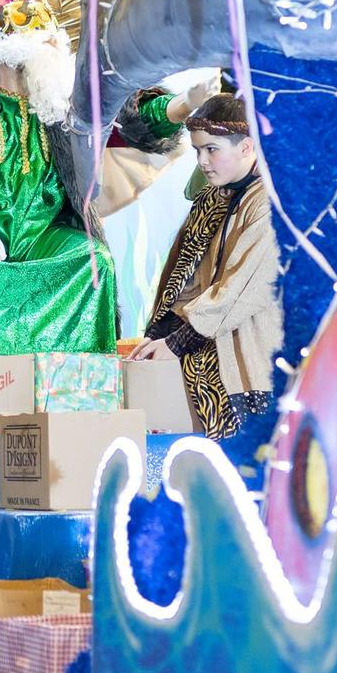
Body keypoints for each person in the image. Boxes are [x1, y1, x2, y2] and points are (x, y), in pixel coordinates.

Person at [0, 0, 188, 358]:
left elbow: (128, 120)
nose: (58, 57)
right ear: (19, 54)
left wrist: (181, 106)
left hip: (45, 234)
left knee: (93, 259)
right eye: (49, 49)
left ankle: (79, 383)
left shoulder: (61, 97)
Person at [131, 94, 284, 440]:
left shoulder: (273, 202)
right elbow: (186, 278)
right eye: (198, 150)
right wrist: (157, 337)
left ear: (247, 147)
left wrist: (176, 342)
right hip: (204, 348)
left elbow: (243, 287)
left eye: (211, 149)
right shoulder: (215, 197)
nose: (202, 160)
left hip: (254, 364)